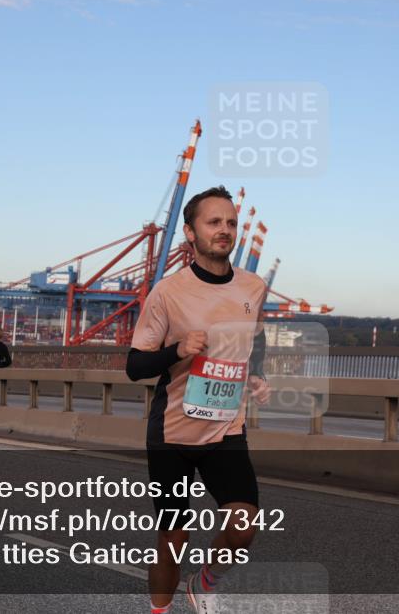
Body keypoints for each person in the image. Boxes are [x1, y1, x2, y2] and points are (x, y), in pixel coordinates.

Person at [125, 186, 270, 614]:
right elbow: (135, 366)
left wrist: (256, 374)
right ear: (190, 232)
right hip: (172, 431)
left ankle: (204, 581)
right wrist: (177, 351)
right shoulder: (168, 293)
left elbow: (254, 340)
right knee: (173, 539)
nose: (224, 230)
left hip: (226, 427)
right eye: (213, 222)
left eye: (230, 223)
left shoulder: (254, 286)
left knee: (243, 528)